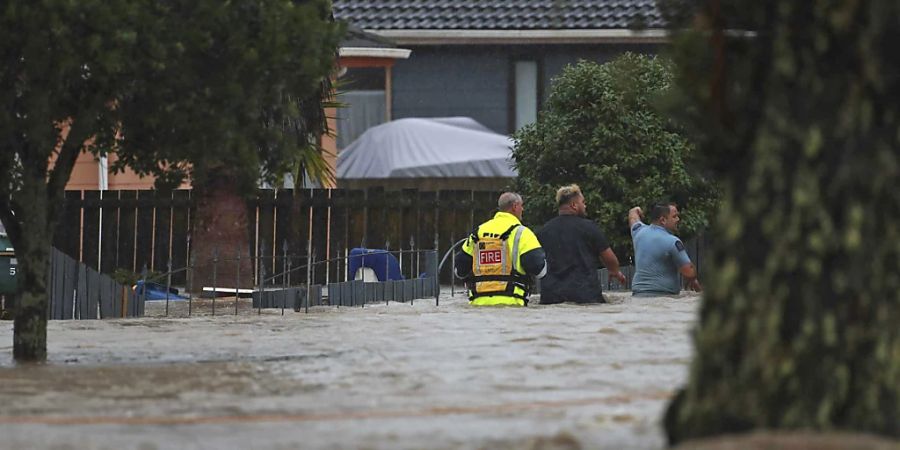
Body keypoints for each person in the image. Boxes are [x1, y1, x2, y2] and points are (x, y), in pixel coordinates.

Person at [536, 184, 626, 304]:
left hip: (551, 298)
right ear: (574, 205)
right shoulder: (590, 227)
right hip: (585, 296)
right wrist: (614, 271)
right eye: (583, 202)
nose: (585, 206)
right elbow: (609, 258)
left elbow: (536, 261)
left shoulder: (543, 231)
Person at [454, 192, 546, 306]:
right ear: (515, 206)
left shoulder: (478, 232)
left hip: (478, 305)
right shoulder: (522, 233)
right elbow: (540, 271)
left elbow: (459, 271)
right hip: (513, 304)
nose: (523, 209)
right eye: (522, 205)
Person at [628, 203, 702, 296]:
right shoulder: (673, 241)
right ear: (663, 220)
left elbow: (633, 218)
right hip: (664, 297)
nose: (678, 219)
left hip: (638, 295)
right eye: (674, 216)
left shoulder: (638, 232)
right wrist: (693, 278)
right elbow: (689, 272)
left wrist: (635, 210)